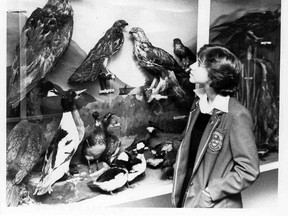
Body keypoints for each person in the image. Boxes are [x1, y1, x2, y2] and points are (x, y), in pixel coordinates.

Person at [171, 44, 260, 208]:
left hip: (213, 205)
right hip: (188, 197)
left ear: (214, 74)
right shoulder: (198, 104)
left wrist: (211, 192)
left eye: (199, 63)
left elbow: (249, 170)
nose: (191, 66)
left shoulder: (236, 115)